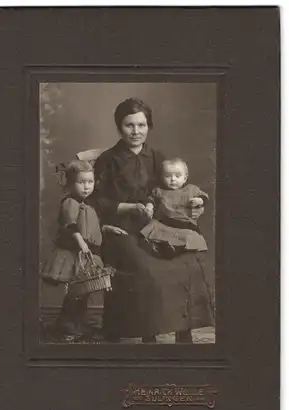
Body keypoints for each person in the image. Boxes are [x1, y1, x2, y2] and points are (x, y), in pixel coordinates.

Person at [93, 97, 214, 343]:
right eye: (129, 125)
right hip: (121, 228)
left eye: (142, 125)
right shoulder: (108, 159)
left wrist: (195, 205)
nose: (136, 131)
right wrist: (130, 207)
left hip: (159, 227)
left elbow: (177, 190)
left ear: (149, 126)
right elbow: (96, 200)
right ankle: (149, 333)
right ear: (119, 126)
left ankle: (184, 331)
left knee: (186, 260)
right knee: (146, 268)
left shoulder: (158, 157)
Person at [41, 160, 104, 341]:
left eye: (90, 182)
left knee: (83, 291)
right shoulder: (70, 202)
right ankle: (68, 326)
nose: (86, 186)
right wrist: (81, 243)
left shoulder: (89, 204)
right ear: (70, 183)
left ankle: (77, 325)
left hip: (85, 252)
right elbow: (70, 226)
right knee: (76, 291)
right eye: (81, 182)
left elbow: (91, 227)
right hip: (74, 252)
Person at [141, 157, 209, 257]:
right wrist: (149, 206)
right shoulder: (159, 191)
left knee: (188, 237)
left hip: (184, 224)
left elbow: (204, 197)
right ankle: (157, 246)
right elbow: (152, 200)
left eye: (177, 176)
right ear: (162, 177)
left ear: (185, 178)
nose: (173, 179)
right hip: (165, 222)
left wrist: (199, 200)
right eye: (168, 176)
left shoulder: (191, 189)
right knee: (154, 227)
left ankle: (173, 249)